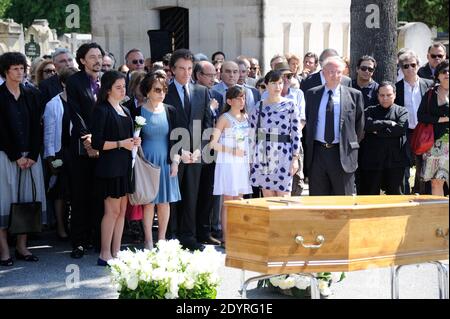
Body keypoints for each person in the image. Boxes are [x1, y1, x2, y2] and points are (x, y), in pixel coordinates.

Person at [0, 52, 47, 266]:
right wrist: (16, 156)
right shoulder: (0, 96)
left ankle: (22, 246)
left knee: (27, 201)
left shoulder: (32, 94)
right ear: (6, 71)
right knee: (4, 202)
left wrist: (34, 155)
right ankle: (4, 251)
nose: (20, 72)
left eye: (22, 68)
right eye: (15, 68)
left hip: (30, 157)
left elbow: (39, 126)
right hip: (6, 157)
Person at [163, 49, 212, 251]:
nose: (186, 72)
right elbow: (163, 125)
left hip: (195, 154)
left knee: (192, 196)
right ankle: (170, 235)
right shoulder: (164, 91)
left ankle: (188, 236)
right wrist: (176, 151)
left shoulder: (202, 91)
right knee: (172, 197)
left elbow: (207, 123)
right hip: (172, 153)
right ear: (172, 70)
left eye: (190, 68)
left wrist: (200, 149)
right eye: (182, 68)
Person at [90, 70, 140, 265]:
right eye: (118, 87)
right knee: (111, 211)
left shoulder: (125, 110)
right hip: (109, 167)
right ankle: (104, 253)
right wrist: (121, 143)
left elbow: (127, 140)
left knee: (121, 212)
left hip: (125, 166)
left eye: (124, 87)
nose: (122, 90)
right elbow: (97, 143)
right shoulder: (101, 110)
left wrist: (134, 141)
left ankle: (116, 251)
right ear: (108, 89)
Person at [66, 42, 105, 259]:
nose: (97, 60)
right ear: (82, 60)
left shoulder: (107, 80)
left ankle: (100, 239)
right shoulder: (75, 82)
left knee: (100, 194)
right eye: (92, 56)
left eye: (99, 56)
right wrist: (87, 139)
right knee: (81, 194)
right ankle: (79, 242)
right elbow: (76, 112)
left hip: (105, 146)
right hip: (82, 146)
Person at [305, 56, 364, 195]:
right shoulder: (312, 94)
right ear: (323, 72)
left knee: (343, 200)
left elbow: (359, 127)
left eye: (338, 72)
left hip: (342, 154)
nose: (335, 75)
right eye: (331, 71)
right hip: (317, 153)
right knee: (318, 201)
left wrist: (347, 142)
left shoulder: (354, 95)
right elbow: (308, 122)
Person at [138, 72, 181, 250]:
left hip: (166, 160)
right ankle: (148, 240)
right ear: (147, 91)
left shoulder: (170, 110)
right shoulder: (137, 111)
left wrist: (176, 161)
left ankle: (162, 239)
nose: (161, 93)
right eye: (157, 90)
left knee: (164, 203)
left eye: (164, 89)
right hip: (146, 162)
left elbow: (177, 139)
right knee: (149, 202)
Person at [210, 86, 252, 244]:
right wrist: (233, 151)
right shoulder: (224, 118)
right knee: (228, 200)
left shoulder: (246, 117)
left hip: (242, 163)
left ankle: (238, 236)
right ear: (229, 101)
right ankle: (227, 239)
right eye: (238, 98)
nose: (242, 101)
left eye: (243, 97)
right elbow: (213, 144)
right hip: (228, 162)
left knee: (239, 199)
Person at [248, 70, 301, 196]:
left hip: (284, 153)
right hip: (263, 153)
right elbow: (251, 134)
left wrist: (295, 158)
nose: (278, 87)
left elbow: (296, 133)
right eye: (273, 83)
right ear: (266, 85)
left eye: (280, 83)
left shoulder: (290, 104)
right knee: (267, 197)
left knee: (284, 197)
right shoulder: (258, 106)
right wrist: (250, 159)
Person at [43, 66, 78, 240]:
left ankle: (76, 226)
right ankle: (61, 227)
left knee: (77, 191)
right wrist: (50, 158)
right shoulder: (53, 104)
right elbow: (48, 134)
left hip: (78, 152)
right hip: (61, 151)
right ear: (63, 83)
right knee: (61, 193)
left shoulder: (81, 101)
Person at [359, 82, 409, 195]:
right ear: (377, 96)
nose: (385, 98)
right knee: (370, 196)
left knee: (396, 196)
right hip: (373, 161)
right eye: (382, 95)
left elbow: (400, 129)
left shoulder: (402, 111)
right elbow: (366, 125)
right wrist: (388, 123)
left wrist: (376, 131)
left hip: (395, 161)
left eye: (388, 95)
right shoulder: (370, 110)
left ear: (395, 95)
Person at [395, 50, 433, 194]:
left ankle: (421, 194)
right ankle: (404, 196)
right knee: (404, 167)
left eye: (412, 65)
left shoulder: (429, 85)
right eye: (405, 66)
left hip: (424, 131)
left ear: (418, 65)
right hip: (405, 133)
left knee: (424, 168)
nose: (410, 69)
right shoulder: (396, 88)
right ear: (401, 68)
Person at [417, 60, 449, 196]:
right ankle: (440, 215)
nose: (447, 74)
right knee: (436, 182)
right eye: (444, 71)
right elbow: (421, 116)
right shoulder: (430, 93)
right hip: (435, 144)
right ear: (438, 75)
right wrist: (442, 119)